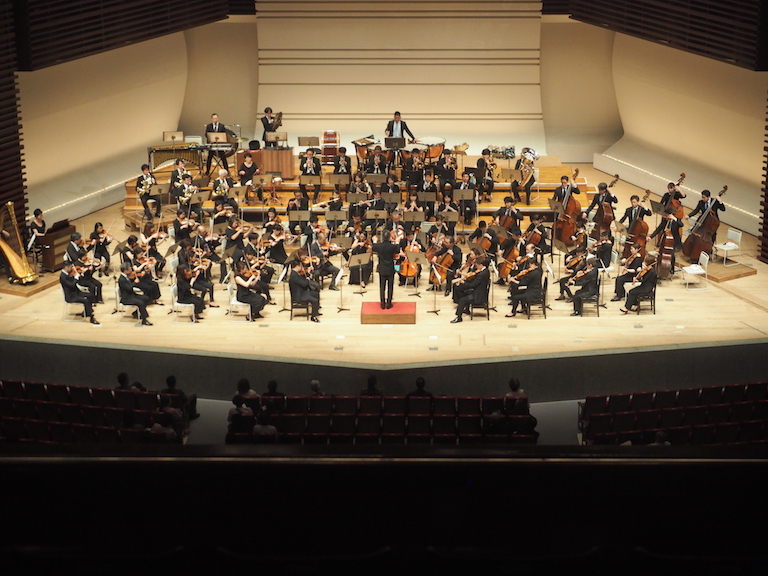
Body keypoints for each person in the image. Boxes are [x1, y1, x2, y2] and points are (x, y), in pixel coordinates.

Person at [66, 232, 103, 302]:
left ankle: (98, 299)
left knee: (98, 284)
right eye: (79, 239)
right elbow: (75, 258)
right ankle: (92, 300)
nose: (81, 240)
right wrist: (86, 266)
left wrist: (91, 245)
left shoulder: (79, 246)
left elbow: (84, 252)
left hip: (86, 270)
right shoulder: (70, 248)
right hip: (79, 269)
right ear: (75, 240)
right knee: (92, 286)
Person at [451, 256, 490, 323]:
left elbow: (473, 285)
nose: (476, 267)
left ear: (481, 265)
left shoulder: (482, 274)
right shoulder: (486, 270)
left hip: (478, 296)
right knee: (462, 292)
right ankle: (466, 309)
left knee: (462, 300)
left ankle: (459, 317)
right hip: (479, 291)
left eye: (477, 265)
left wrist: (463, 283)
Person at [371, 231, 403, 309]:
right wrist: (397, 242)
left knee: (382, 287)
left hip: (382, 268)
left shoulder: (379, 246)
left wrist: (374, 240)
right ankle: (389, 303)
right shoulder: (392, 246)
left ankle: (382, 303)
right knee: (390, 286)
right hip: (390, 268)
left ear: (382, 237)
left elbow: (374, 247)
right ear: (389, 237)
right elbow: (398, 250)